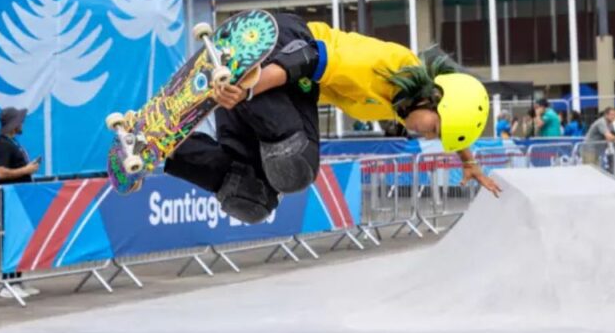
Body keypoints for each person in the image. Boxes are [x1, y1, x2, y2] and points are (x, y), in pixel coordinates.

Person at [165, 13, 500, 224]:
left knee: (251, 198)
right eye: (434, 129)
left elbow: (456, 120)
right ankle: (239, 73)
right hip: (280, 48)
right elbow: (309, 57)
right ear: (432, 97)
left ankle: (165, 150)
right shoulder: (385, 67)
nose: (427, 137)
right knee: (296, 164)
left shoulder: (410, 101)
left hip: (275, 87)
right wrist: (248, 91)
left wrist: (468, 160)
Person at [0, 107, 42, 299]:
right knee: (14, 239)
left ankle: (17, 280)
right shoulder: (2, 145)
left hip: (20, 197)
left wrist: (28, 170)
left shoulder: (12, 142)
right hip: (11, 197)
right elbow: (1, 172)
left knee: (21, 239)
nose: (22, 124)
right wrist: (26, 169)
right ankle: (8, 283)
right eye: (20, 121)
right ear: (13, 124)